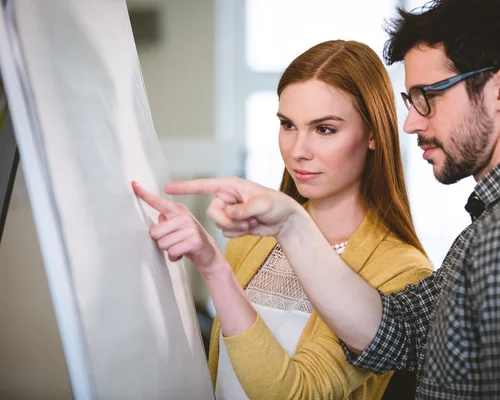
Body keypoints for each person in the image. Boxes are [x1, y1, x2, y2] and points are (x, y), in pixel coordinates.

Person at [163, 0, 500, 398]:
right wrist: (290, 224)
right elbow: (396, 332)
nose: (409, 123)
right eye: (411, 100)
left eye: (428, 97)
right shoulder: (499, 221)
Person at [134, 39, 433, 399]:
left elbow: (297, 393)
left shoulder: (402, 271)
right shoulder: (253, 239)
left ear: (372, 134)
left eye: (324, 129)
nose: (297, 150)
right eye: (288, 125)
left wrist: (215, 270)